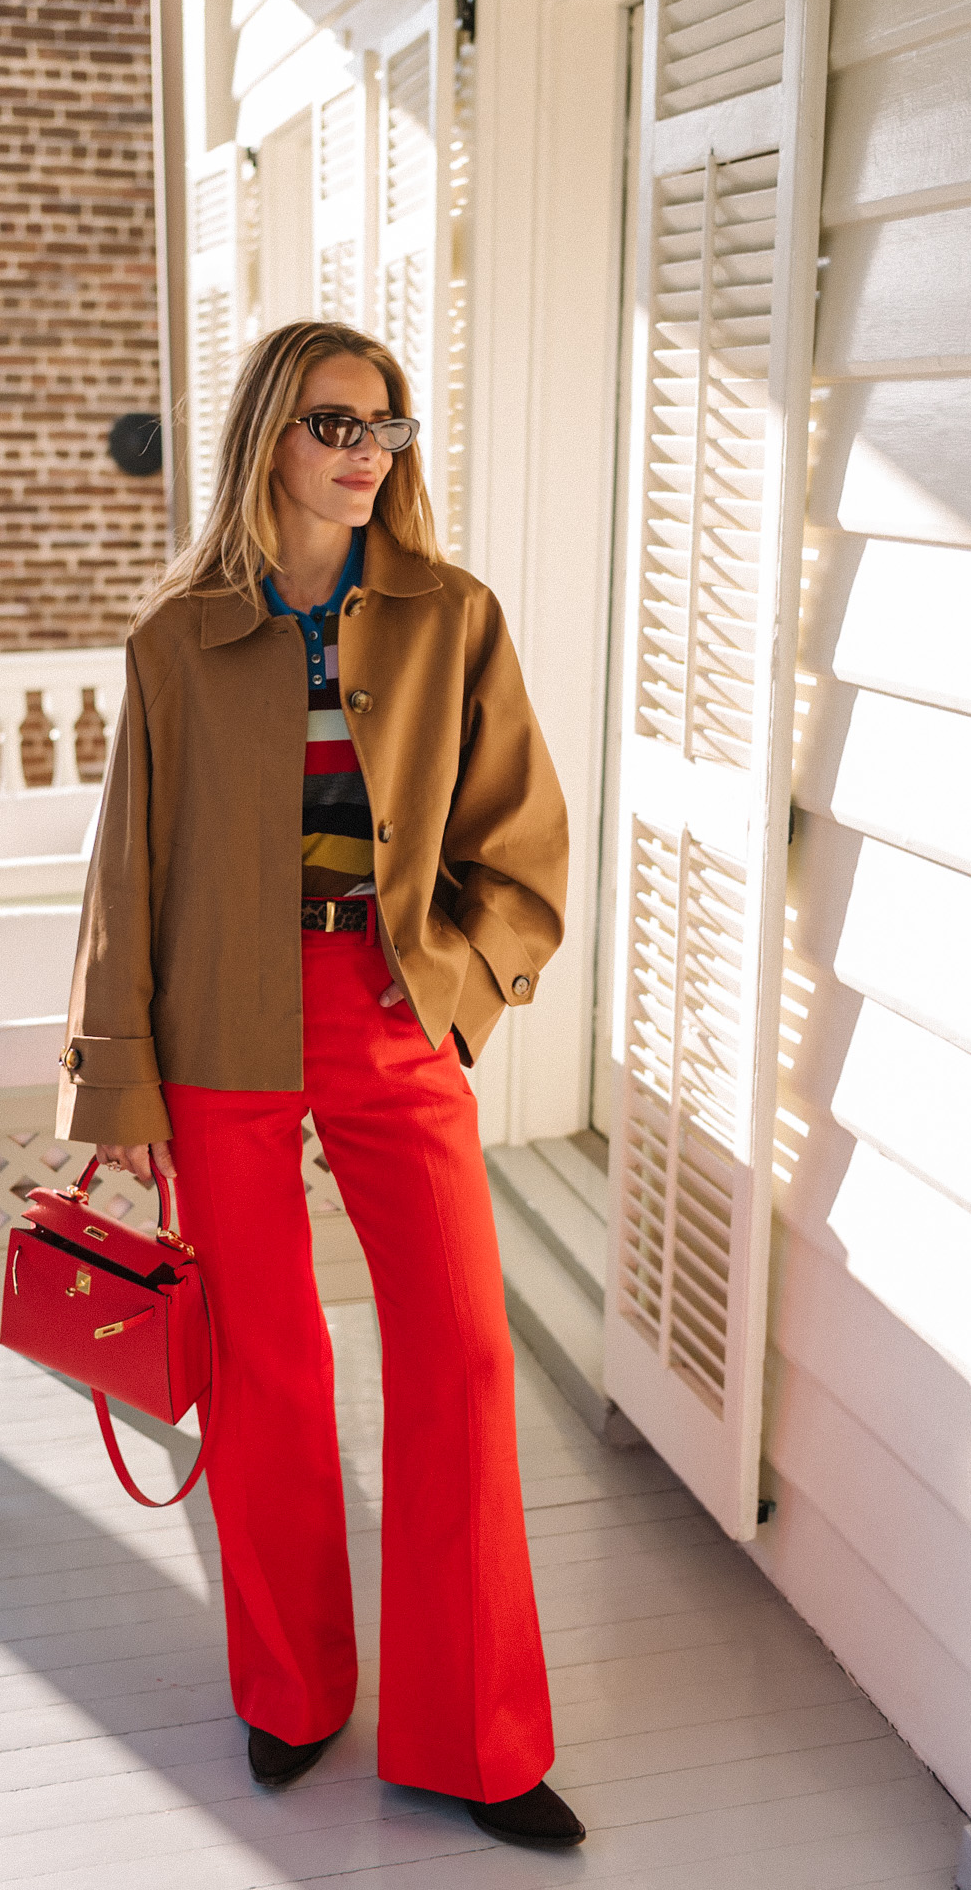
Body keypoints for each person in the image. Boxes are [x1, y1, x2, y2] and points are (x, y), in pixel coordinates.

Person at [57, 319, 583, 1850]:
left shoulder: (452, 618)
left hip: (386, 1002)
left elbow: (522, 852)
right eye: (339, 422)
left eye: (390, 426)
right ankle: (289, 1696)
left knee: (466, 1362)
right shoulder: (175, 640)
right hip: (216, 1018)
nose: (368, 452)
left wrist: (457, 1002)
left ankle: (477, 1741)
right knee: (268, 1367)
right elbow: (123, 882)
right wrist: (124, 1092)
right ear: (269, 436)